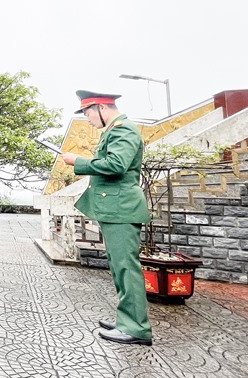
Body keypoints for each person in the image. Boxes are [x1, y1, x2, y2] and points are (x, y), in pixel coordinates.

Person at [60, 90, 152, 346]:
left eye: (88, 113)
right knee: (118, 266)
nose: (88, 119)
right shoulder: (114, 130)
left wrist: (78, 161)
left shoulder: (124, 129)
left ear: (101, 107)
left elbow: (116, 165)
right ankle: (126, 319)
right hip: (115, 208)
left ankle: (137, 328)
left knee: (126, 267)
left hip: (122, 208)